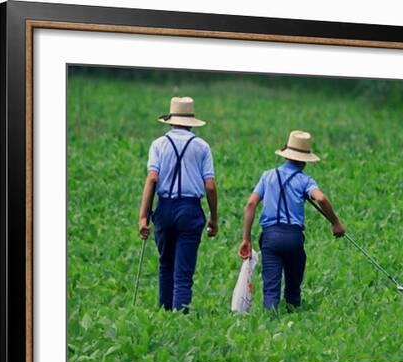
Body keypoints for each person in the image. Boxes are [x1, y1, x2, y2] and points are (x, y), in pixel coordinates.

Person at [238, 130, 345, 310]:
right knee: (293, 288)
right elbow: (321, 199)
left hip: (270, 238)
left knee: (271, 289)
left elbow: (250, 204)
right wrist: (335, 223)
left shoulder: (268, 176)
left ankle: (270, 323)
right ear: (304, 160)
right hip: (294, 238)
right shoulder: (305, 180)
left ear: (287, 155)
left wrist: (246, 239)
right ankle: (293, 314)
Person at [138, 97, 218, 312]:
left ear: (171, 120)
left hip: (164, 209)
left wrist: (143, 217)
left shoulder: (158, 145)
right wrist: (213, 217)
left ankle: (165, 315)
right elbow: (210, 186)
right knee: (183, 272)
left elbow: (152, 179)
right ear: (191, 122)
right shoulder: (202, 146)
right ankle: (180, 319)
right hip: (190, 210)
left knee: (165, 266)